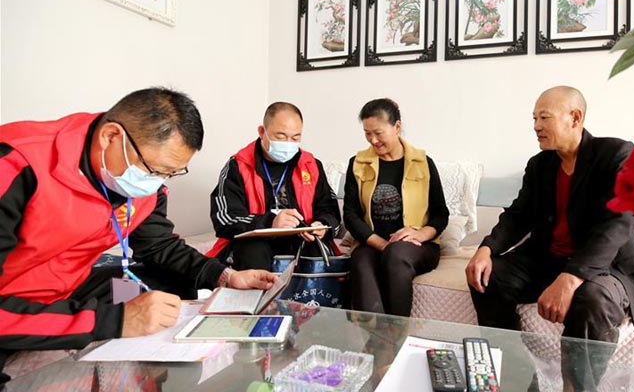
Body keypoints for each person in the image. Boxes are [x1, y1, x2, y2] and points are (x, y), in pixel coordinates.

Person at [0, 88, 278, 382]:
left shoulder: (139, 183)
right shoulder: (16, 165)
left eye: (171, 173)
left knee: (166, 285)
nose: (157, 183)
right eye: (155, 171)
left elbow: (159, 245)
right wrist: (118, 321)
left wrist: (225, 276)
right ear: (111, 136)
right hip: (11, 300)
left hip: (66, 285)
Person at [465, 86, 634, 390]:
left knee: (592, 300)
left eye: (544, 117)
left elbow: (617, 224)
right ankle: (518, 381)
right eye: (534, 119)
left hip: (605, 266)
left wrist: (571, 278)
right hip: (546, 258)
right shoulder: (540, 165)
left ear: (575, 118)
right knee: (488, 278)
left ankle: (575, 387)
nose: (536, 126)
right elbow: (518, 215)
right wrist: (486, 248)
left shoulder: (616, 154)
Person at [343, 98, 449, 317]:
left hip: (418, 245)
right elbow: (351, 215)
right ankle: (377, 335)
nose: (373, 140)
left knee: (396, 254)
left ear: (397, 126)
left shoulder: (423, 163)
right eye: (367, 133)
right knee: (361, 262)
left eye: (378, 133)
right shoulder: (358, 163)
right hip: (371, 242)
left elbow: (440, 214)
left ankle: (397, 330)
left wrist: (420, 234)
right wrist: (381, 244)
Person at [207, 102, 341, 270]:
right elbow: (224, 219)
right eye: (281, 136)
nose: (288, 143)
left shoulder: (311, 165)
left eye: (295, 138)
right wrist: (270, 221)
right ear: (262, 132)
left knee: (314, 250)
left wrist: (321, 225)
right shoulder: (238, 166)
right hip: (255, 243)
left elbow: (330, 210)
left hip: (302, 239)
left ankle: (309, 288)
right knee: (253, 250)